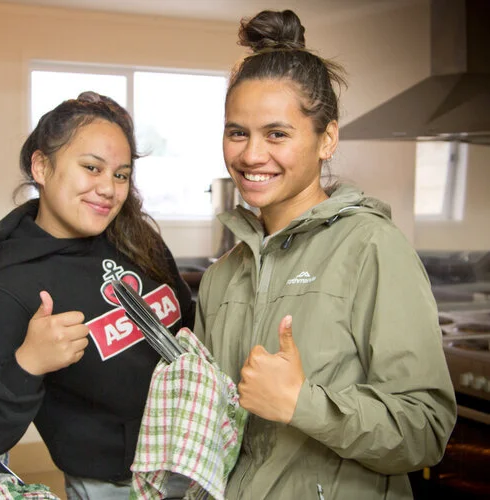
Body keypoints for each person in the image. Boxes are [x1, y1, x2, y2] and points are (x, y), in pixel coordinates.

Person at [193, 9, 457, 499]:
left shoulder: (372, 248)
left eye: (277, 133)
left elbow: (425, 430)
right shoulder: (223, 276)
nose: (251, 155)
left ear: (327, 138)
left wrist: (301, 403)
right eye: (237, 132)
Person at [0, 91, 194, 499]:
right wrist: (28, 363)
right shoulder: (10, 284)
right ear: (41, 166)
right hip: (115, 485)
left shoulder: (137, 238)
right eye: (91, 168)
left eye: (120, 174)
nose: (109, 189)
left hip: (195, 457)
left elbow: (186, 323)